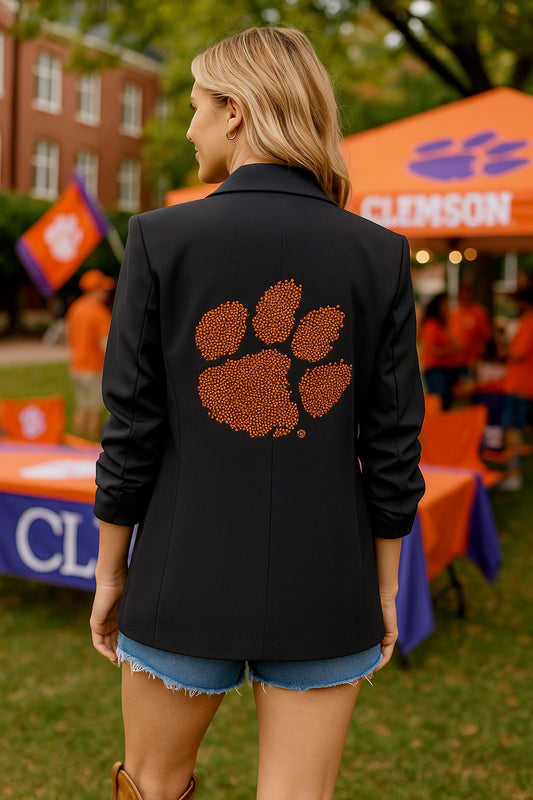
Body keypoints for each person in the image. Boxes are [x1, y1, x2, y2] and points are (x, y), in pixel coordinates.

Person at [90, 26, 425, 800]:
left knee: (153, 788)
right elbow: (394, 443)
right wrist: (383, 589)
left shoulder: (159, 239)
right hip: (327, 578)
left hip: (182, 575)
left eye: (197, 106)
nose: (188, 126)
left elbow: (131, 431)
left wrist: (112, 575)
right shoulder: (376, 253)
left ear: (235, 112)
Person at [66, 269, 115, 440]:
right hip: (93, 367)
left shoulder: (75, 308)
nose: (106, 293)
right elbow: (105, 343)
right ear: (95, 290)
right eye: (103, 289)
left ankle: (78, 443)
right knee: (95, 410)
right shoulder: (99, 311)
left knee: (82, 407)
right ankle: (90, 447)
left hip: (76, 366)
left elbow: (69, 336)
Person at [497, 287, 533, 490]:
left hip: (520, 385)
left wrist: (503, 343)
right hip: (523, 383)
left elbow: (517, 353)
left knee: (512, 431)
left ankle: (513, 474)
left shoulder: (529, 322)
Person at [418, 292, 460, 410]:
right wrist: (452, 350)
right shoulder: (431, 325)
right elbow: (431, 350)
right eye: (446, 304)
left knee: (446, 402)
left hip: (447, 369)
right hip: (436, 369)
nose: (448, 308)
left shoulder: (444, 325)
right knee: (438, 402)